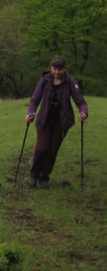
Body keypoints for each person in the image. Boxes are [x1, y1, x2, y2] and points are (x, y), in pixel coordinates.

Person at [26, 56, 88, 189]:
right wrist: (31, 113)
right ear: (51, 68)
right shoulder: (45, 80)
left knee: (52, 150)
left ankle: (44, 177)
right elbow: (35, 99)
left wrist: (83, 112)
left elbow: (80, 101)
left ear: (64, 69)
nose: (56, 72)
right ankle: (33, 175)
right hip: (45, 120)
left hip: (61, 121)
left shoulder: (70, 82)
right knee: (41, 148)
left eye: (59, 69)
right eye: (54, 69)